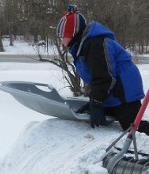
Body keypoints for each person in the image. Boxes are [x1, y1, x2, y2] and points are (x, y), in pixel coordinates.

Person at [56, 4, 149, 134]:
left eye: (63, 35)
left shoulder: (95, 44)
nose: (61, 39)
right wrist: (93, 102)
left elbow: (104, 77)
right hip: (114, 90)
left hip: (124, 92)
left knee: (132, 127)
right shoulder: (82, 45)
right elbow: (96, 77)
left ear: (73, 33)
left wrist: (96, 101)